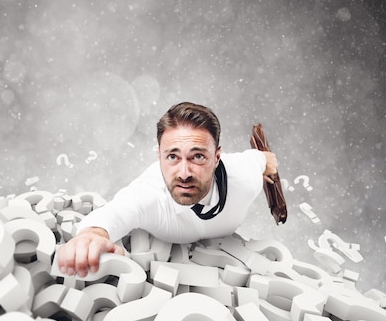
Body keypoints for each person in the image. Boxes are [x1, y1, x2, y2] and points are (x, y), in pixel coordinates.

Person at [57, 102, 278, 277]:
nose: (184, 173)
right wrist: (90, 236)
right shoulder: (151, 194)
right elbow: (119, 210)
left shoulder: (243, 177)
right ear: (159, 156)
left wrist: (267, 164)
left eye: (198, 156)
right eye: (172, 156)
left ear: (217, 157)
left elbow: (262, 159)